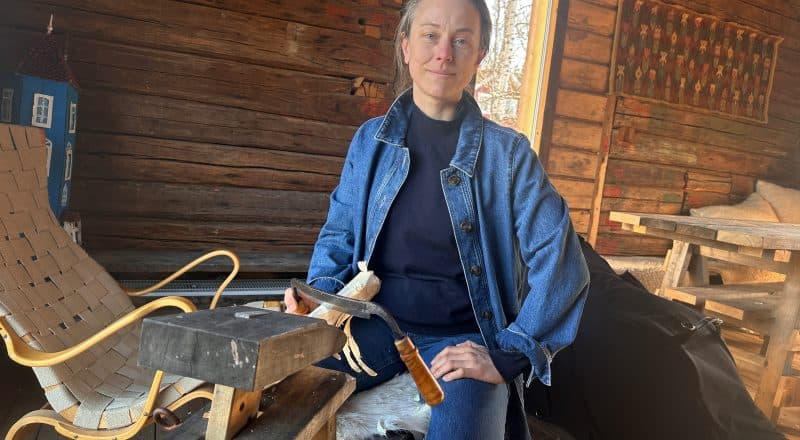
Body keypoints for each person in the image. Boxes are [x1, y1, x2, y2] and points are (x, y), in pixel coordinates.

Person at [284, 0, 589, 437]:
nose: (444, 53)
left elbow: (562, 263)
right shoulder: (370, 142)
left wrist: (511, 353)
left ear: (479, 54)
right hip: (373, 328)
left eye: (461, 40)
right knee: (276, 401)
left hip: (462, 340)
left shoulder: (509, 156)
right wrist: (319, 299)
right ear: (406, 46)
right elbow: (339, 234)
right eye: (430, 35)